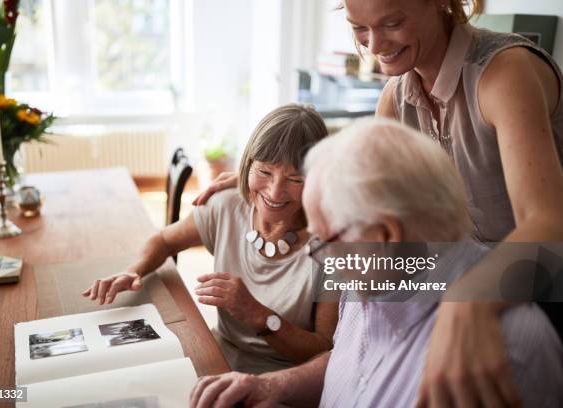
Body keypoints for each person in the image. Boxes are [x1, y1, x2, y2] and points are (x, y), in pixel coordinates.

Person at [192, 0, 563, 404]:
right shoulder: (397, 93)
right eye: (358, 28)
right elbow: (364, 189)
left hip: (532, 287)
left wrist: (468, 302)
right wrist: (264, 179)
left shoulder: (504, 74)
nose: (374, 45)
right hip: (448, 282)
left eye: (392, 22)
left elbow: (551, 229)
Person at [189, 118, 563, 408]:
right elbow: (350, 369)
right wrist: (268, 386)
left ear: (384, 235)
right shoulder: (375, 276)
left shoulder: (491, 348)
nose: (322, 258)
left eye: (326, 242)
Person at [82, 104, 338, 374]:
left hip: (283, 382)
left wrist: (257, 315)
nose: (275, 192)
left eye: (295, 179)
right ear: (247, 164)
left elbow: (323, 349)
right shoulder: (227, 205)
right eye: (264, 172)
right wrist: (133, 270)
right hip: (216, 357)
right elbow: (165, 241)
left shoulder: (335, 247)